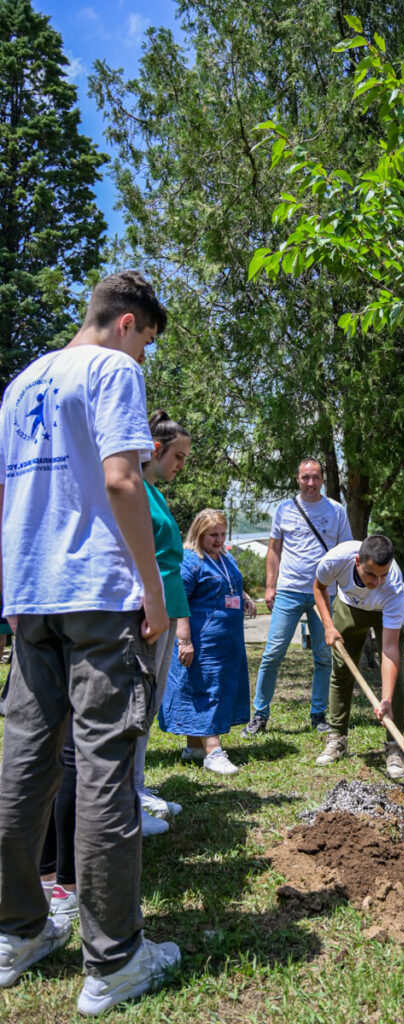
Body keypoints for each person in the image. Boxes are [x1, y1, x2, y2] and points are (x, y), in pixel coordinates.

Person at [0, 271, 180, 1014]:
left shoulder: (20, 385)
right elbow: (121, 482)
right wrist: (154, 592)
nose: (145, 358)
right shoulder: (112, 370)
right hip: (99, 595)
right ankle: (115, 960)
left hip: (31, 594)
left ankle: (16, 931)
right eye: (148, 343)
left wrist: (12, 591)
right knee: (106, 767)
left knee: (24, 763)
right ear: (128, 323)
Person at [241, 457, 352, 738]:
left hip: (324, 593)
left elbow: (346, 552)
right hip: (289, 590)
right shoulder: (284, 509)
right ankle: (259, 715)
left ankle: (319, 714)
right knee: (272, 654)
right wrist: (270, 586)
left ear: (322, 479)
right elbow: (274, 550)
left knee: (324, 657)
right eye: (305, 477)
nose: (311, 483)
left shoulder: (336, 510)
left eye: (315, 477)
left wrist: (344, 590)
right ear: (297, 479)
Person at [159, 509, 256, 773]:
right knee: (205, 690)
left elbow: (229, 583)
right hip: (202, 641)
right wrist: (184, 641)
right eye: (213, 535)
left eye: (223, 534)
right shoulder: (190, 560)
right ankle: (213, 751)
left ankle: (194, 746)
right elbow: (178, 600)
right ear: (199, 533)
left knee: (216, 688)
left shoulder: (225, 557)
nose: (219, 539)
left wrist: (244, 596)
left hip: (227, 642)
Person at [135, 409, 192, 834]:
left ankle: (135, 786)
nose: (181, 466)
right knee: (137, 704)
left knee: (149, 704)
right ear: (155, 448)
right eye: (178, 456)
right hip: (149, 613)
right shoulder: (135, 488)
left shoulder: (155, 492)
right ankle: (126, 798)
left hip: (168, 609)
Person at [313, 534, 404, 779]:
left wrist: (385, 700)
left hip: (385, 610)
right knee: (341, 672)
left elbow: (389, 649)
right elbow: (319, 587)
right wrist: (328, 626)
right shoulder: (336, 560)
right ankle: (337, 737)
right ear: (357, 561)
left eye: (382, 575)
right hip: (350, 606)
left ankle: (394, 746)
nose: (377, 581)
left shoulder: (393, 586)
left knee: (395, 679)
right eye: (370, 574)